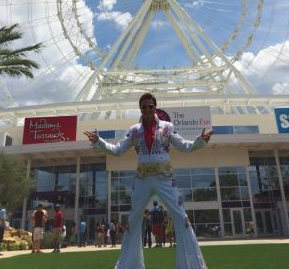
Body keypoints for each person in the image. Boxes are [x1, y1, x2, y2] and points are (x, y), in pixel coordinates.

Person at [84, 92, 212, 269]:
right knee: (133, 221)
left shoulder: (167, 127)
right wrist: (99, 142)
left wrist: (200, 141)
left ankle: (193, 265)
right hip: (142, 179)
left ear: (155, 107)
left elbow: (185, 146)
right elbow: (118, 150)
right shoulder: (134, 130)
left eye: (150, 106)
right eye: (144, 107)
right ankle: (128, 266)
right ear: (140, 109)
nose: (147, 109)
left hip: (165, 179)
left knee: (181, 217)